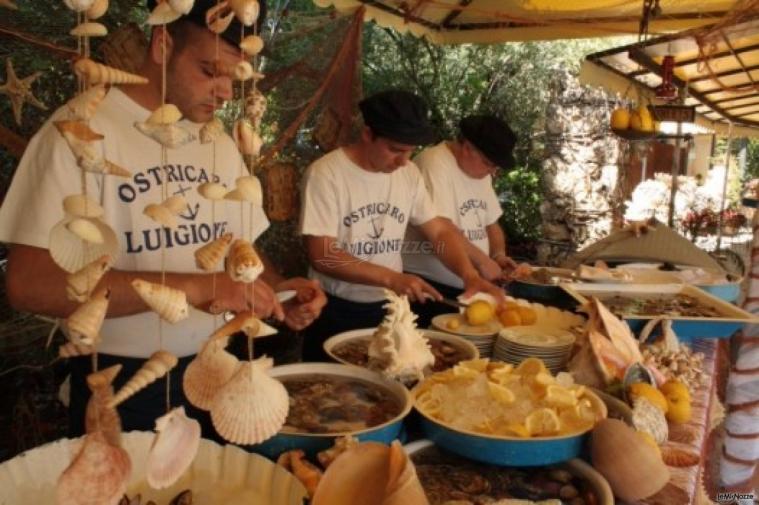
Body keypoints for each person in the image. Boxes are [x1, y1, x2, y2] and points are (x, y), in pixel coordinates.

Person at [0, 0, 325, 438]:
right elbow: (29, 283)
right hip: (118, 381)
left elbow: (239, 247)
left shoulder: (218, 142)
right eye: (210, 72)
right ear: (163, 43)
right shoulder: (80, 131)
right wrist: (194, 287)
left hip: (222, 370)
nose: (226, 92)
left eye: (234, 76)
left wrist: (276, 289)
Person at [299, 90, 504, 361]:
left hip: (390, 308)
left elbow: (439, 231)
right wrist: (391, 277)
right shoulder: (327, 174)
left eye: (410, 151)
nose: (404, 161)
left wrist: (469, 275)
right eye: (395, 150)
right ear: (368, 134)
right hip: (335, 307)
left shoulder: (408, 174)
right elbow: (322, 254)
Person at [403, 115, 517, 327]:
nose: (492, 171)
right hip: (431, 287)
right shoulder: (434, 164)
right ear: (467, 148)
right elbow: (442, 227)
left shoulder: (481, 172)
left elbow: (491, 223)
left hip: (468, 282)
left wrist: (498, 255)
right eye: (489, 163)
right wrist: (482, 262)